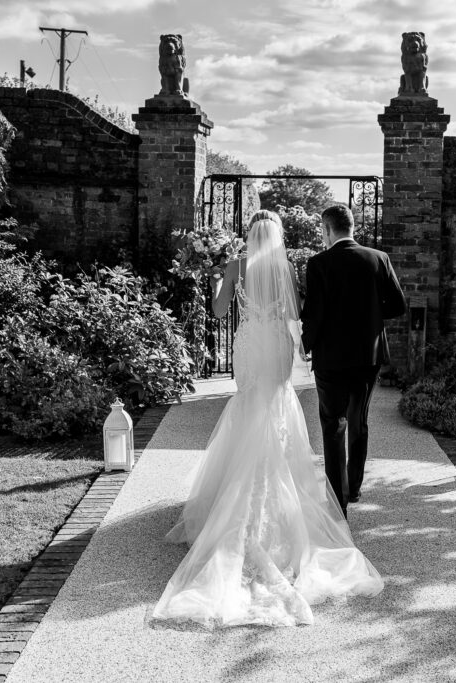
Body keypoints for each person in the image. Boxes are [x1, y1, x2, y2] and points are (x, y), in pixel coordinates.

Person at [149, 210, 383, 629]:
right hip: (275, 344)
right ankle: (281, 504)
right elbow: (295, 314)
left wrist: (218, 279)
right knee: (277, 406)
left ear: (248, 235)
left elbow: (221, 313)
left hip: (250, 344)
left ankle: (235, 500)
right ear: (276, 236)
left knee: (248, 405)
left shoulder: (236, 266)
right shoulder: (287, 267)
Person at [300, 205, 407, 515]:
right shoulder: (378, 258)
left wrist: (305, 345)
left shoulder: (319, 263)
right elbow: (398, 306)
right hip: (367, 355)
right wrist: (371, 316)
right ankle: (355, 487)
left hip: (331, 357)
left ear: (327, 229)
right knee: (358, 419)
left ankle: (337, 501)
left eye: (322, 232)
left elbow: (315, 316)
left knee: (333, 424)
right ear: (351, 227)